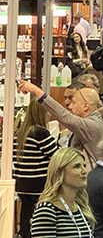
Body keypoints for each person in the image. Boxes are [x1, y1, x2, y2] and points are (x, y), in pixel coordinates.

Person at [19, 81, 103, 171]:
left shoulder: (91, 124)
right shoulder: (93, 122)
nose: (70, 106)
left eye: (74, 102)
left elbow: (64, 116)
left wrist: (37, 91)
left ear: (85, 106)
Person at [13, 98, 58, 238]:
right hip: (39, 182)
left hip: (22, 183)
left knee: (26, 215)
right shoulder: (41, 133)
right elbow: (56, 156)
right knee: (39, 216)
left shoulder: (18, 134)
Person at [31, 148, 95, 238]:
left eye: (84, 166)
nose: (84, 171)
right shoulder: (47, 211)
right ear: (59, 172)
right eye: (77, 166)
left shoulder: (80, 207)